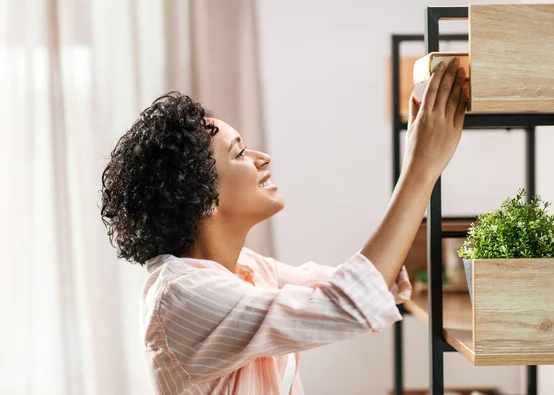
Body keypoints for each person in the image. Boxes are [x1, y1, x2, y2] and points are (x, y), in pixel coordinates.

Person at [100, 57, 467, 395]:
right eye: (240, 154)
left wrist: (421, 156)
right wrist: (420, 168)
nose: (263, 159)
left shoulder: (245, 270)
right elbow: (348, 303)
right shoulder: (183, 295)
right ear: (202, 197)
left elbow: (365, 286)